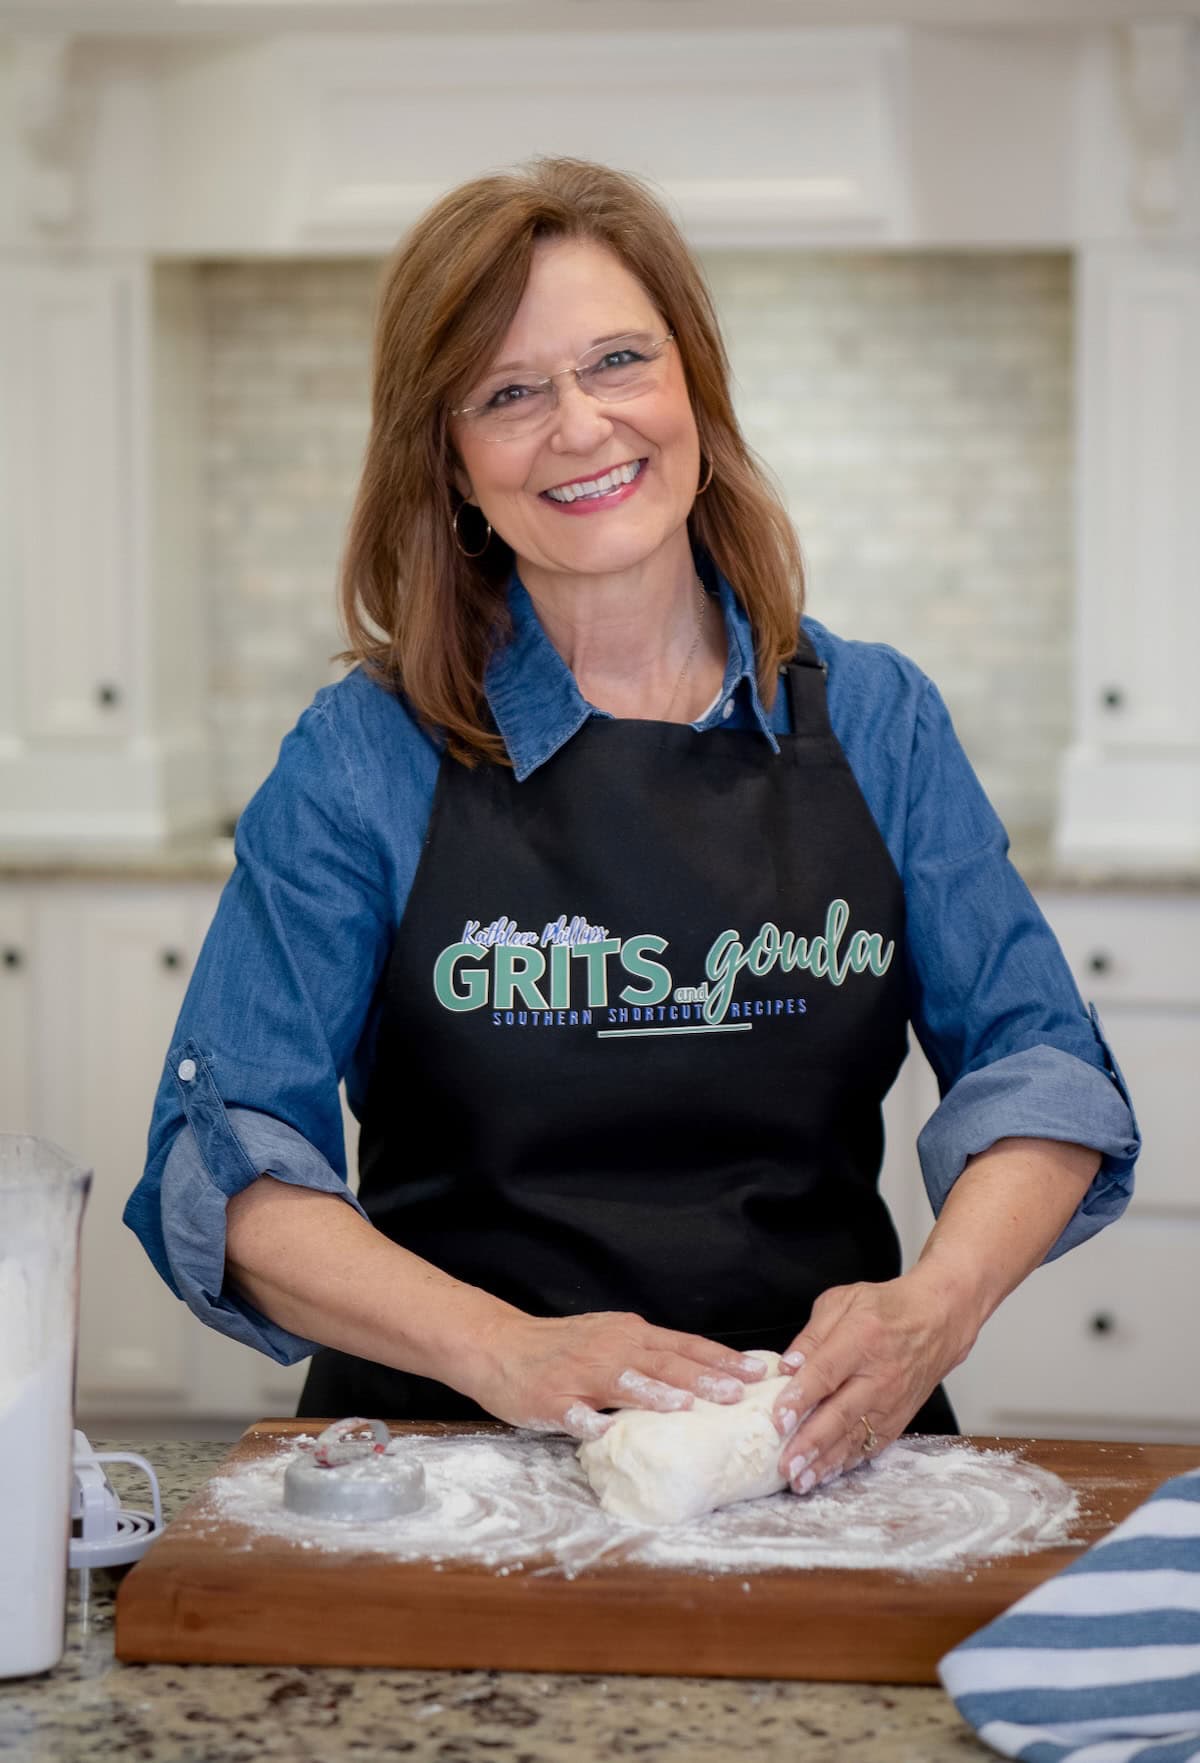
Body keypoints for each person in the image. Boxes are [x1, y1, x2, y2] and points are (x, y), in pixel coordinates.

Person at [125, 157, 1139, 1498]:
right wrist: (506, 1354)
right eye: (509, 392)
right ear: (452, 463)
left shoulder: (879, 721)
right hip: (453, 1474)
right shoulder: (363, 757)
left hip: (815, 1466)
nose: (583, 426)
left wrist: (934, 1309)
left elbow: (1042, 1070)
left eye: (618, 360)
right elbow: (224, 1161)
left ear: (695, 390)